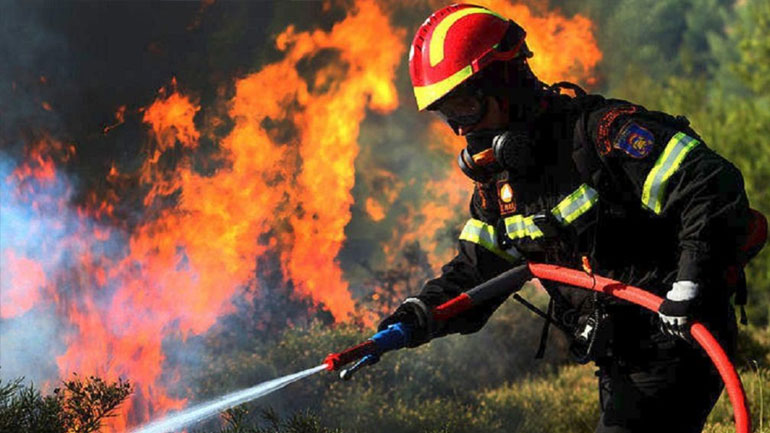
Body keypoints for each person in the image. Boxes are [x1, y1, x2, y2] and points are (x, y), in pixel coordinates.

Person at [379, 4, 765, 432]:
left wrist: (690, 284)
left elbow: (710, 184)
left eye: (466, 108)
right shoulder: (501, 187)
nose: (460, 130)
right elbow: (477, 271)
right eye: (449, 115)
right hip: (621, 356)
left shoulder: (603, 136)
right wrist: (418, 315)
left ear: (506, 82)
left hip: (679, 339)